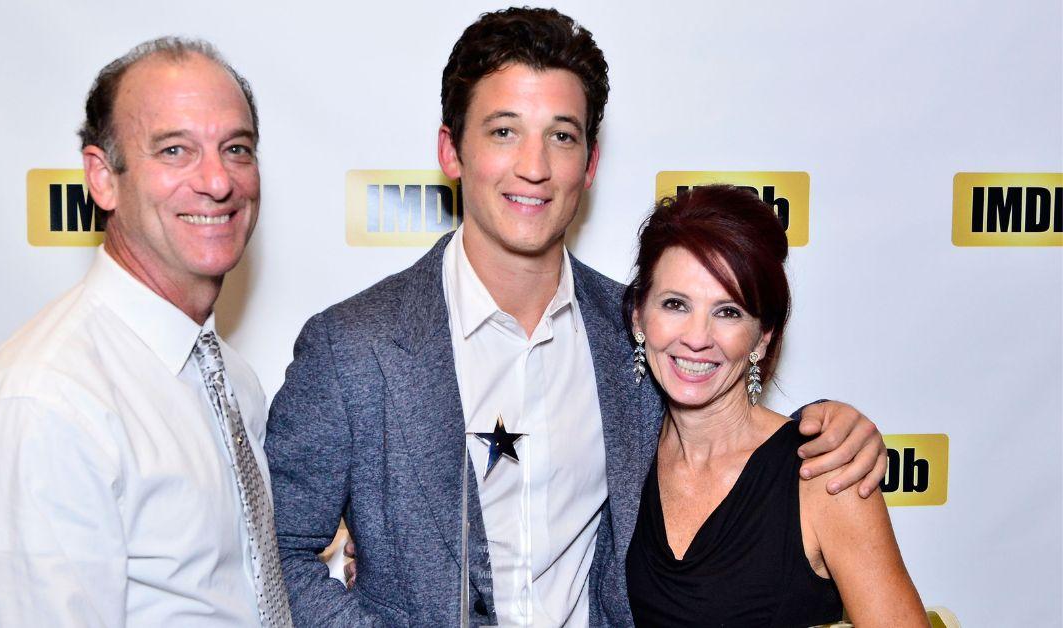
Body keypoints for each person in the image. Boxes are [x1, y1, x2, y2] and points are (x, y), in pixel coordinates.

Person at [267, 7, 889, 627]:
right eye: (504, 131)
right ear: (450, 150)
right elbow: (283, 556)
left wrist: (840, 428)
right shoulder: (352, 348)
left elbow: (731, 436)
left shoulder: (638, 337)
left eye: (561, 135)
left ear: (590, 164)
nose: (534, 167)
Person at [0, 38, 293, 627]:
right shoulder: (47, 399)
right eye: (175, 150)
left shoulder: (229, 376)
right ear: (102, 178)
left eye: (236, 149)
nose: (218, 181)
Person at [622, 186, 926, 627]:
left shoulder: (824, 475)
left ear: (762, 337)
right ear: (638, 317)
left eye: (728, 312)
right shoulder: (617, 449)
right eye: (675, 304)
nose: (696, 336)